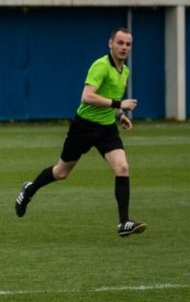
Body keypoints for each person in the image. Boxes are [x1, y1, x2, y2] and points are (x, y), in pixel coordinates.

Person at [14, 27, 146, 237]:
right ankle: (29, 190)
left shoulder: (125, 71)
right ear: (110, 43)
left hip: (106, 130)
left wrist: (120, 115)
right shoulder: (100, 66)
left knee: (122, 167)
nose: (124, 48)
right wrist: (120, 103)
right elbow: (87, 97)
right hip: (83, 127)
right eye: (120, 43)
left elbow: (110, 100)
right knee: (61, 172)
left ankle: (123, 223)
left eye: (128, 44)